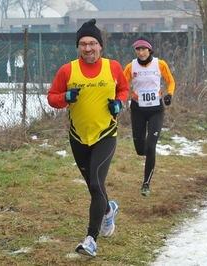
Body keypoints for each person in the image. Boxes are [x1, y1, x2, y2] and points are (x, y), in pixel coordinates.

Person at [47, 19, 129, 257]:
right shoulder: (67, 70)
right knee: (95, 188)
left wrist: (119, 103)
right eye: (83, 44)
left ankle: (91, 239)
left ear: (100, 46)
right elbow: (52, 97)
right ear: (78, 46)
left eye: (92, 43)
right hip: (78, 137)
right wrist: (66, 97)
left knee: (95, 184)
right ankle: (107, 210)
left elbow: (123, 88)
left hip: (105, 134)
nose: (88, 48)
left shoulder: (113, 67)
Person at [123, 35, 175, 197]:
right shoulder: (131, 67)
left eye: (144, 49)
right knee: (141, 149)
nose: (141, 52)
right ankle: (149, 153)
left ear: (150, 49)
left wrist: (169, 95)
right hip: (138, 109)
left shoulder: (160, 64)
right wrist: (118, 100)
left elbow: (171, 81)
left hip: (156, 110)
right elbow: (123, 86)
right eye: (138, 49)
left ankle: (146, 183)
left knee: (150, 146)